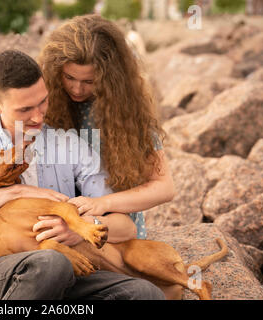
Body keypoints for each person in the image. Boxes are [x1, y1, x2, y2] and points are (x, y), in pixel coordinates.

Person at [0, 49, 166, 300]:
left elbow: (125, 227)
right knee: (50, 264)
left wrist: (81, 228)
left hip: (66, 267)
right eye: (24, 109)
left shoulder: (68, 144)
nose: (37, 116)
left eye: (42, 102)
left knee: (144, 293)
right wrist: (15, 191)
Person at [36, 14, 175, 243]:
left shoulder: (126, 111)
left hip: (113, 229)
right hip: (56, 224)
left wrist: (101, 204)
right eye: (69, 77)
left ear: (109, 78)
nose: (77, 89)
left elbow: (164, 187)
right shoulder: (44, 100)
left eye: (89, 82)